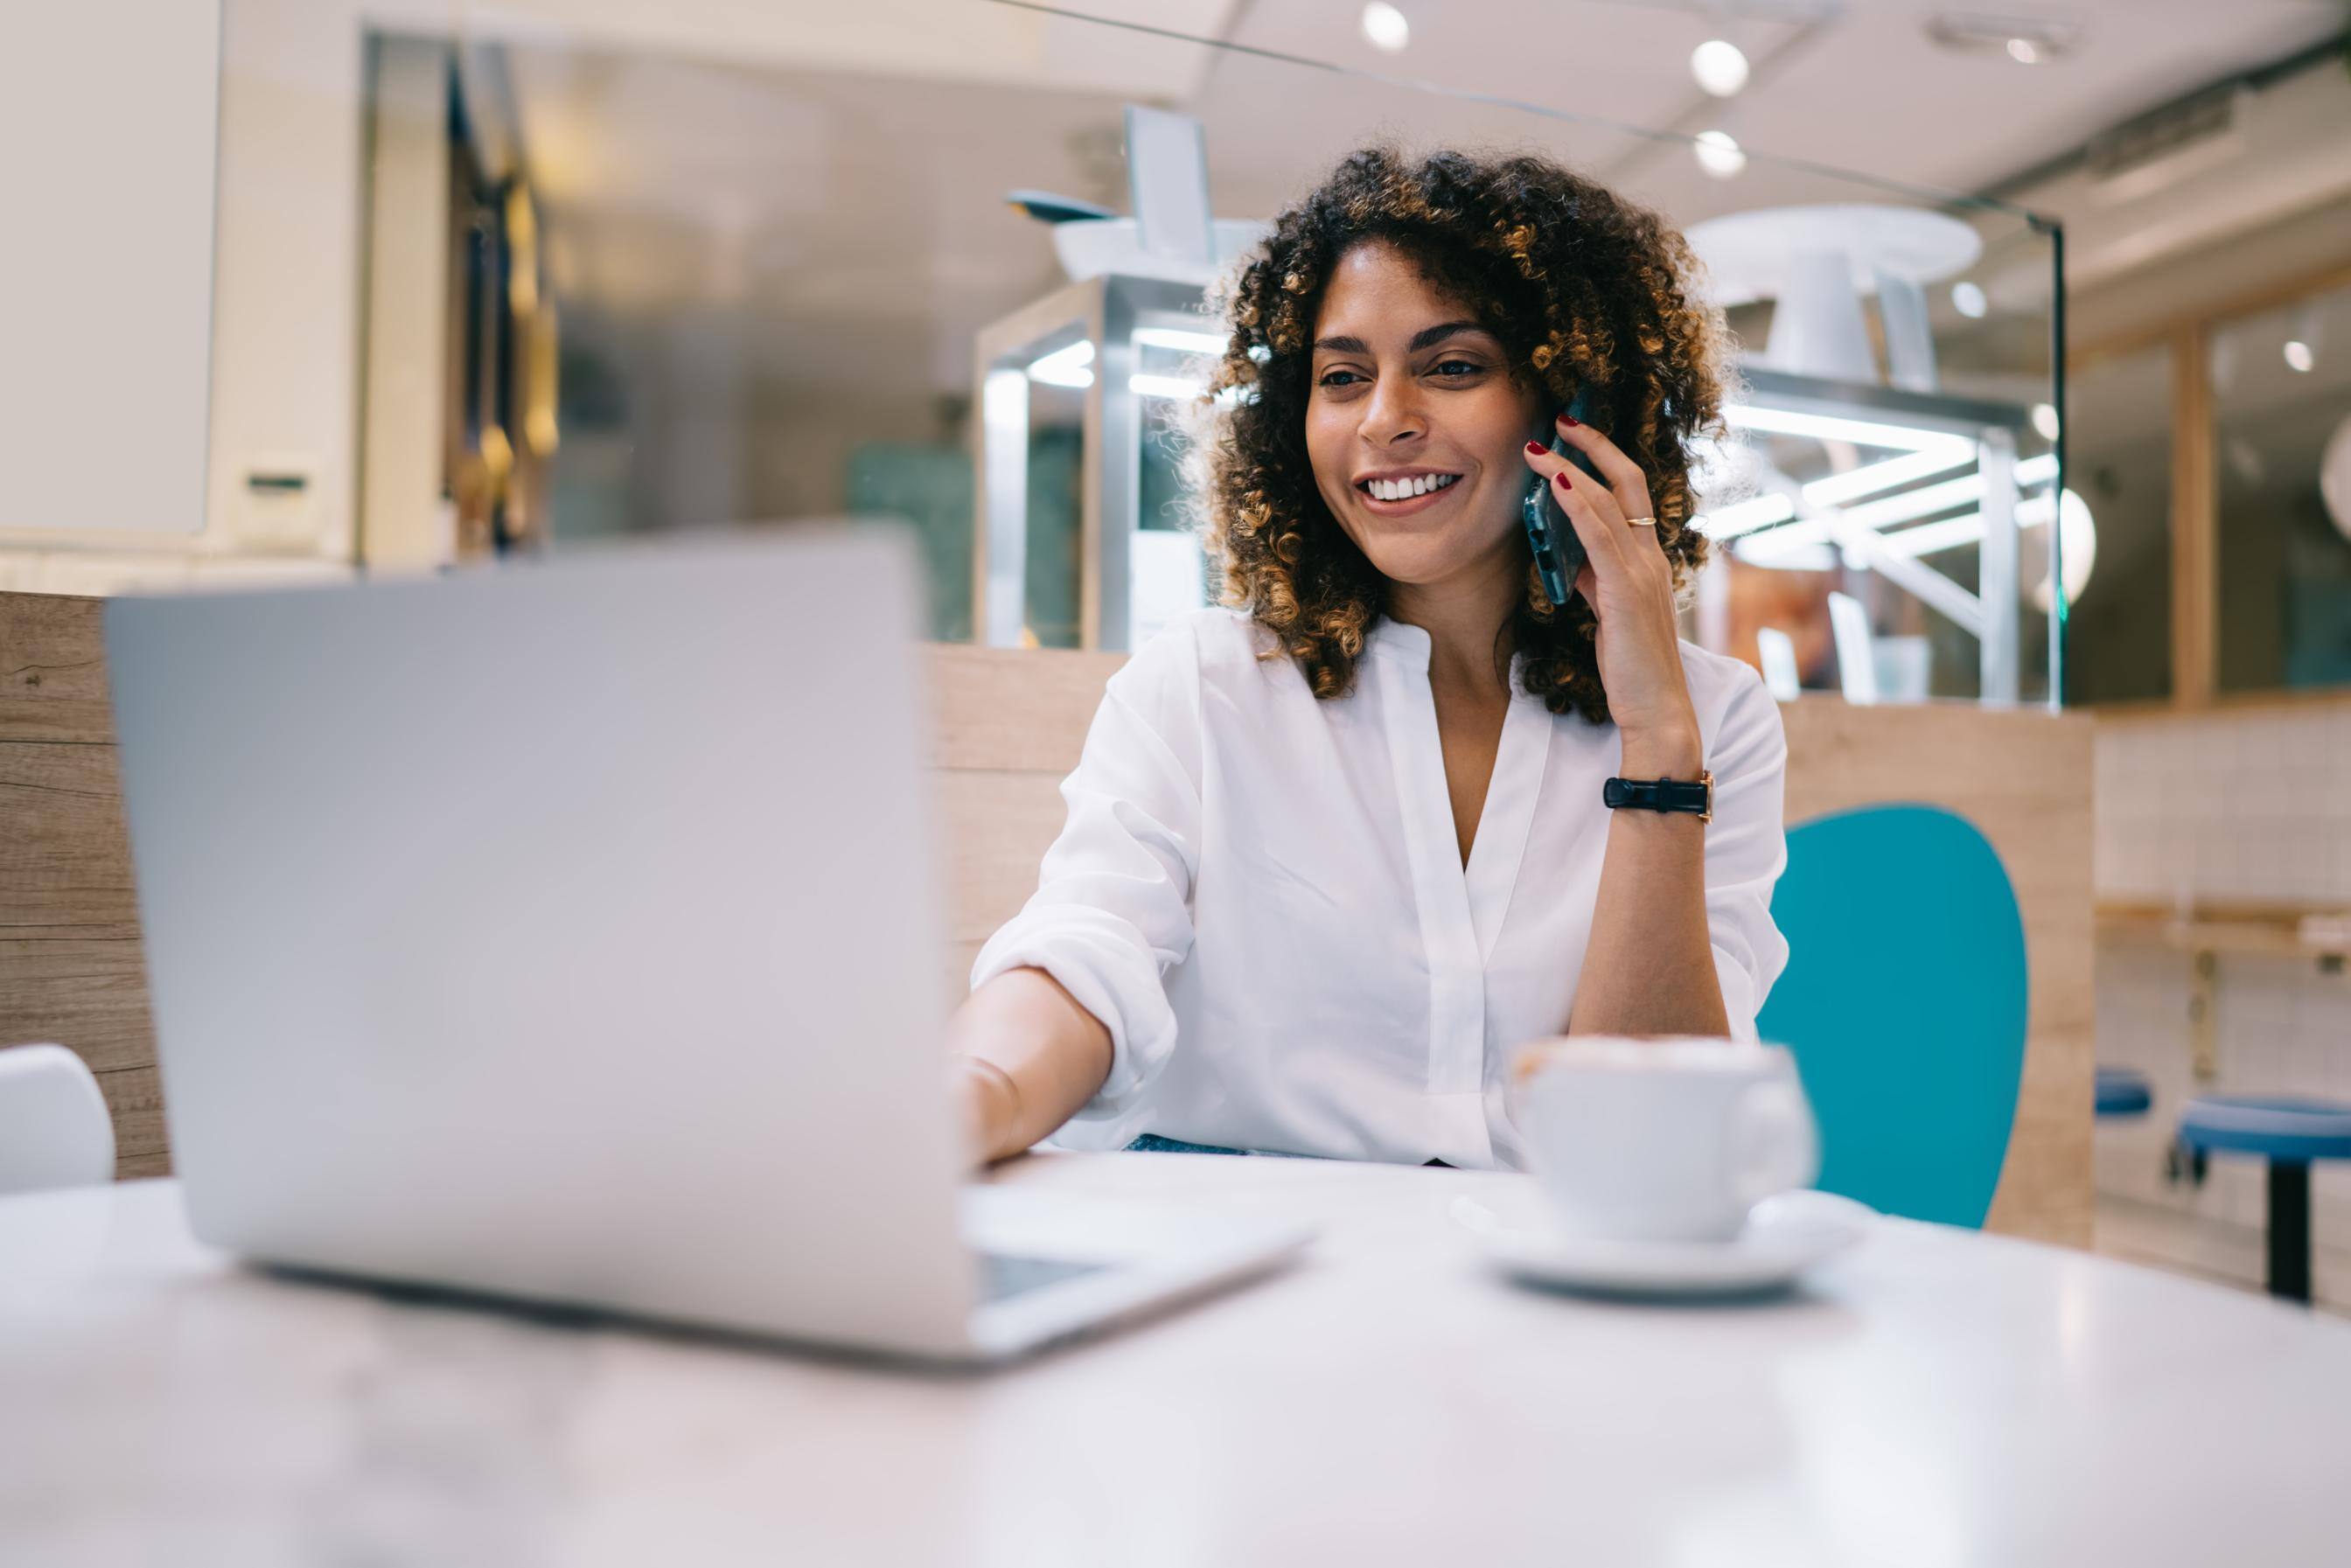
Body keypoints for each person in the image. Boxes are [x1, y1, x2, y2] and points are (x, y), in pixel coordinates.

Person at [947, 145, 1789, 1170]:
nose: (1385, 418)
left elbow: (1652, 1145)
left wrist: (1657, 741)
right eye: (1342, 377)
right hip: (1247, 1283)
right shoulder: (1209, 684)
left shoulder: (1711, 719)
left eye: (1452, 365)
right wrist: (967, 1096)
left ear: (1573, 410)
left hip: (1545, 1291)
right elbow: (1087, 953)